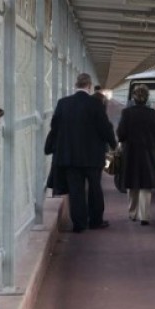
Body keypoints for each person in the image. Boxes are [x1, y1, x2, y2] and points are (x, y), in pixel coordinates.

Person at [46, 73, 117, 232]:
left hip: (70, 155)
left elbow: (55, 126)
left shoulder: (63, 103)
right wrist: (113, 144)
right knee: (95, 188)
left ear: (75, 85)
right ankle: (95, 220)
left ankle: (79, 224)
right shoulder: (96, 104)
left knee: (75, 190)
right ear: (89, 86)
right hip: (93, 156)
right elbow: (105, 128)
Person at [116, 84, 155, 226]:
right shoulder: (154, 115)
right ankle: (144, 216)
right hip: (148, 153)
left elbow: (120, 135)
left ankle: (132, 213)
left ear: (133, 98)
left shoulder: (126, 113)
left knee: (132, 183)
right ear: (147, 98)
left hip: (131, 153)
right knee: (146, 185)